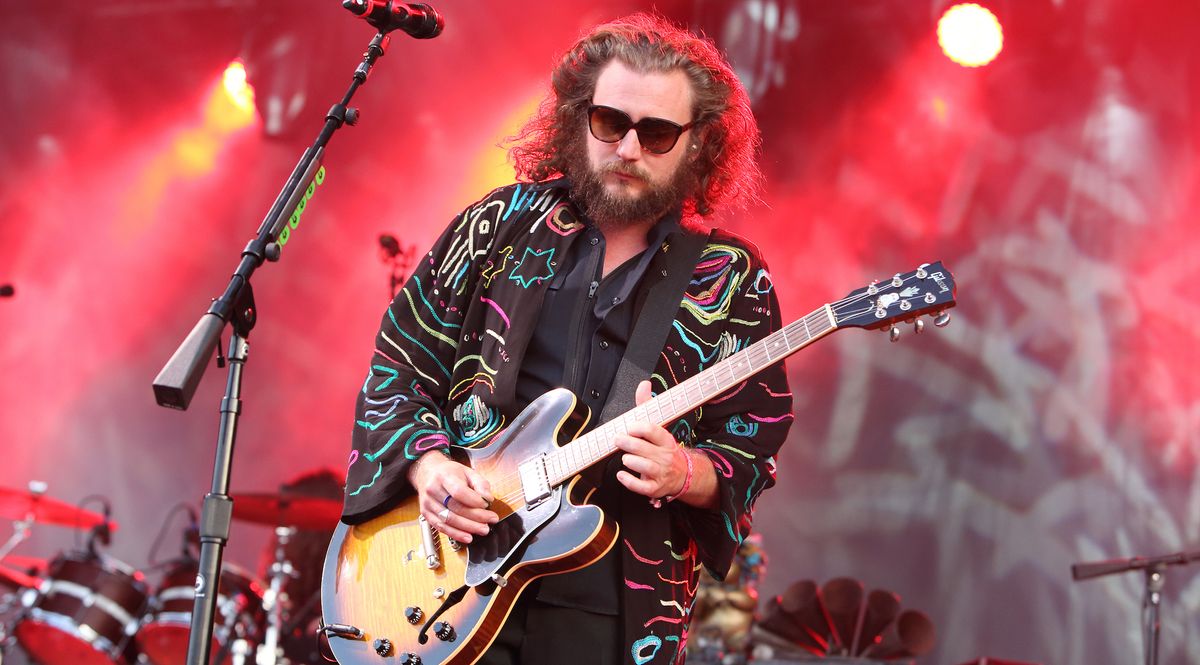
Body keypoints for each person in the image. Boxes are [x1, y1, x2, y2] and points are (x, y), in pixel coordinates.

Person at [341, 13, 794, 665]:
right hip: (449, 577)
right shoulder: (496, 225)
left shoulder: (728, 279)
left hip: (612, 605)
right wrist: (430, 465)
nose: (628, 149)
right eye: (611, 123)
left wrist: (686, 471)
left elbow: (755, 434)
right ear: (579, 117)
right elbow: (399, 368)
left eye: (658, 132)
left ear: (697, 145)